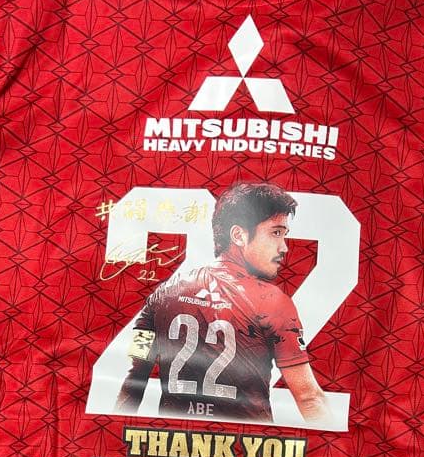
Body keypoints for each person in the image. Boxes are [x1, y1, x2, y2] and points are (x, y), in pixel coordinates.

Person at [114, 181, 331, 426]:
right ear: (238, 235)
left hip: (172, 442)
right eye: (276, 233)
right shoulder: (272, 302)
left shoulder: (162, 294)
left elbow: (132, 377)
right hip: (245, 447)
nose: (284, 247)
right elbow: (309, 398)